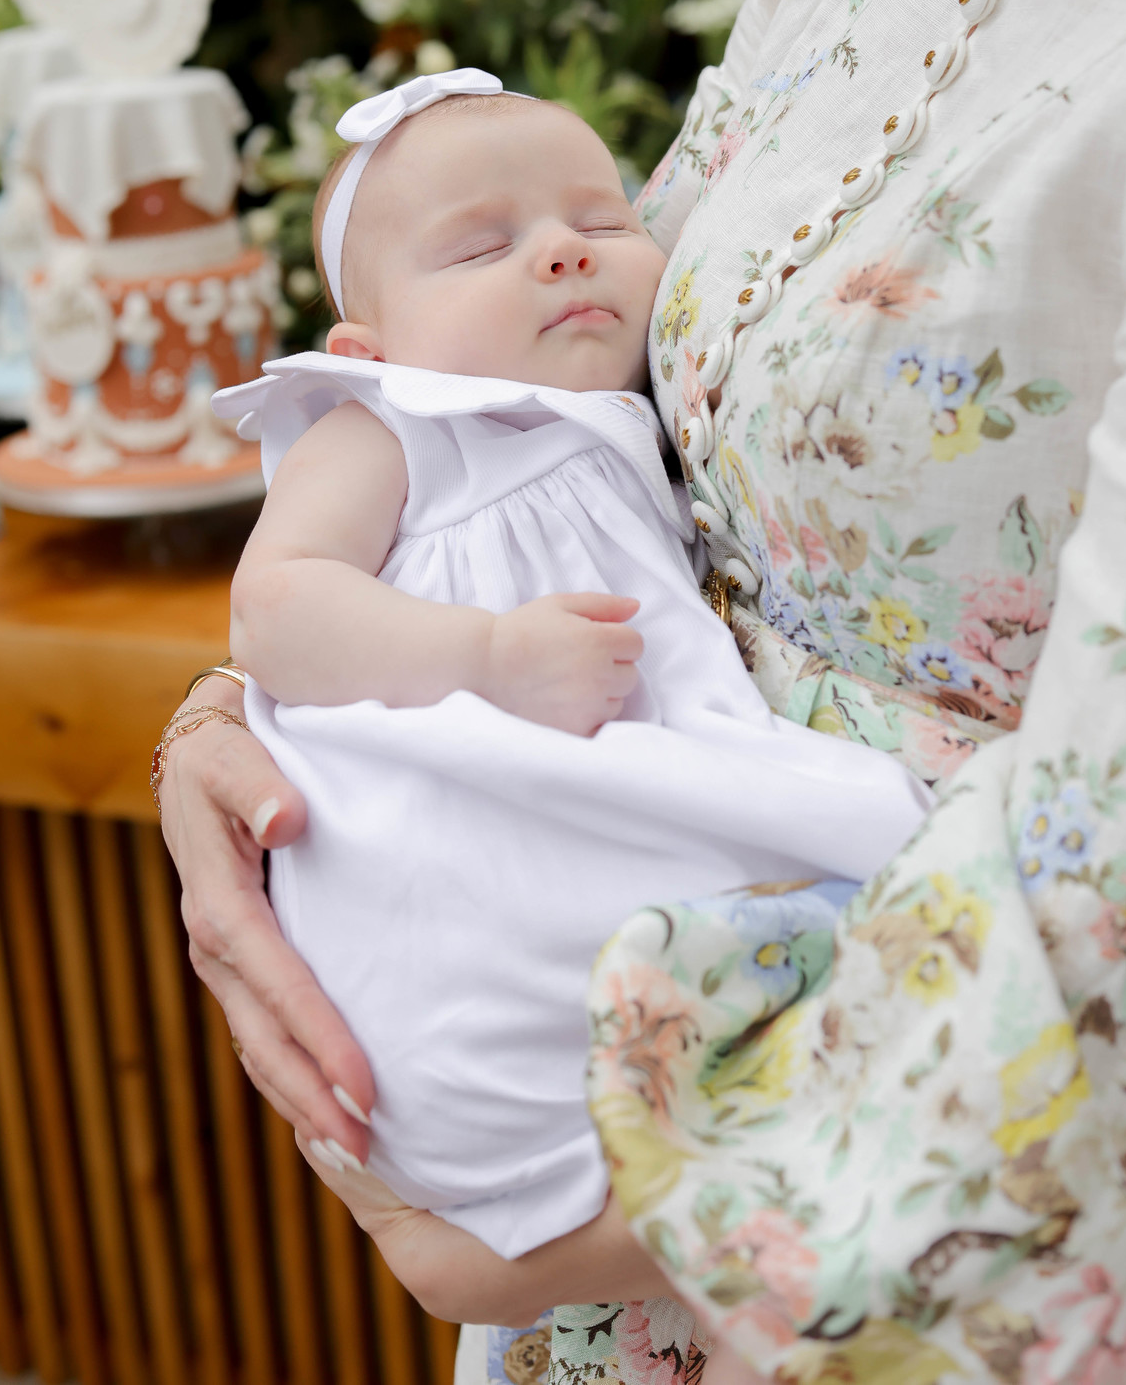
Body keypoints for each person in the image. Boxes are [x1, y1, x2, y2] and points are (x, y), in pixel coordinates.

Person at [158, 0, 1126, 1376]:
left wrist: (593, 1231)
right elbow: (576, 408)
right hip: (630, 1119)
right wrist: (255, 720)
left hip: (910, 1221)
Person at [211, 67, 929, 1260]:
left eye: (599, 222)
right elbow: (275, 610)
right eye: (479, 248)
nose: (562, 253)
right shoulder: (393, 423)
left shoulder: (621, 419)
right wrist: (481, 654)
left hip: (626, 772)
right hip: (463, 784)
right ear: (367, 342)